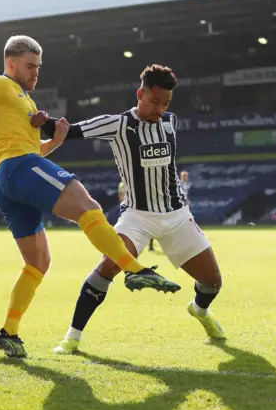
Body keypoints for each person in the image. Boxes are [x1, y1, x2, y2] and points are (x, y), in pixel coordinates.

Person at [0, 36, 179, 358]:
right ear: (11, 64)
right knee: (88, 207)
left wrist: (57, 141)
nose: (35, 74)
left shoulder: (25, 101)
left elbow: (34, 149)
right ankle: (133, 269)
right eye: (30, 66)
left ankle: (9, 332)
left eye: (38, 68)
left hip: (8, 177)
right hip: (18, 167)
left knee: (38, 262)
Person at [34, 64, 225, 354]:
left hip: (177, 216)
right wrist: (37, 119)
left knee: (212, 282)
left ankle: (199, 310)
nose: (160, 109)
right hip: (137, 216)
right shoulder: (118, 124)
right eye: (155, 101)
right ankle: (71, 339)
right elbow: (67, 131)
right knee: (107, 266)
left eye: (165, 103)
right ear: (140, 94)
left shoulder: (170, 122)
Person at [148, 170, 191, 251]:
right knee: (156, 226)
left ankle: (179, 242)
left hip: (176, 206)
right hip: (160, 208)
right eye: (184, 176)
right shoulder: (175, 184)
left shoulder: (186, 184)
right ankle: (151, 245)